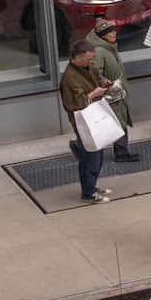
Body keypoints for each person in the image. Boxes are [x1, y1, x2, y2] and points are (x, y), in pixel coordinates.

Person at [59, 40, 115, 205]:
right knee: (90, 156)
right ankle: (88, 192)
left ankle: (91, 186)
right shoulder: (69, 78)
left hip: (93, 117)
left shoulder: (85, 68)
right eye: (87, 59)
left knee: (97, 155)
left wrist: (103, 83)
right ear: (77, 58)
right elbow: (74, 104)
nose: (90, 62)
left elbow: (97, 77)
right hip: (83, 120)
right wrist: (93, 93)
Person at [85, 19, 135, 162]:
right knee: (115, 122)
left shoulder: (108, 47)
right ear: (102, 35)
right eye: (110, 32)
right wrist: (106, 84)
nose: (114, 33)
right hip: (111, 94)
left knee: (116, 121)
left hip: (117, 92)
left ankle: (121, 151)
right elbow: (95, 73)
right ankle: (121, 152)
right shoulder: (99, 51)